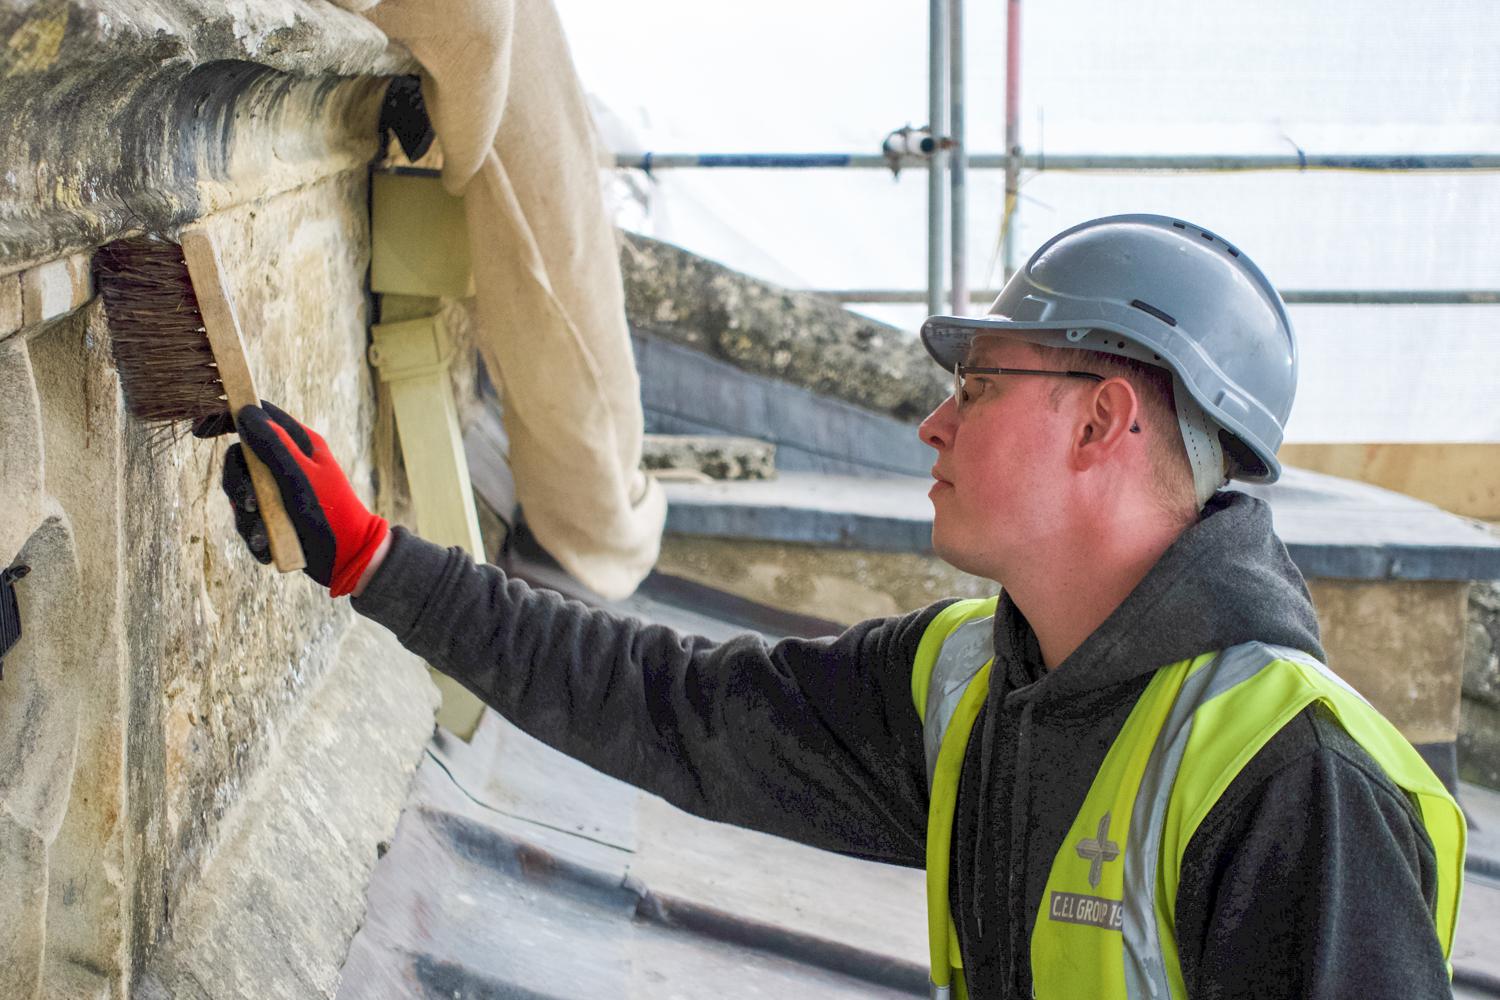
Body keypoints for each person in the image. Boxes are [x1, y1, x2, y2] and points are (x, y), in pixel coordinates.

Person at [220, 215, 1464, 999]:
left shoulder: (1295, 781)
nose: (933, 420)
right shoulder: (973, 680)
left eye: (978, 385)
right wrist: (375, 562)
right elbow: (669, 706)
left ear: (1100, 420)